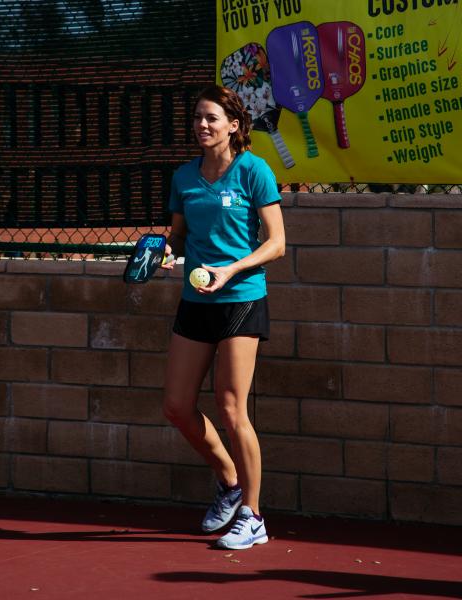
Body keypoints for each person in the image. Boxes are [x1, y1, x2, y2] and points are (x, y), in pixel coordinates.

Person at [161, 84, 285, 550]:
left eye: (211, 118)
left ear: (234, 125)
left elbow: (277, 243)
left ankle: (253, 516)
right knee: (176, 406)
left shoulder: (254, 170)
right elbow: (178, 235)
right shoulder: (184, 177)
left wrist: (230, 270)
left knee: (232, 407)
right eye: (197, 117)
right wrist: (165, 251)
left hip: (242, 299)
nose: (202, 125)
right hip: (195, 302)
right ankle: (230, 481)